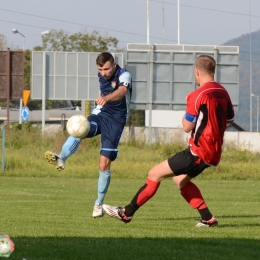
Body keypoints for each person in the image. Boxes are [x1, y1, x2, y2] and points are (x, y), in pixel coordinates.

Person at [103, 55, 235, 227]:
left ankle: (126, 213)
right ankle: (208, 219)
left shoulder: (197, 95)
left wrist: (189, 107)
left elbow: (187, 126)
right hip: (213, 152)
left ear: (197, 72)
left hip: (198, 151)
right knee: (180, 180)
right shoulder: (223, 92)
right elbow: (230, 119)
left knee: (154, 174)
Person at [45, 52, 132, 218]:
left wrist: (106, 98)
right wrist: (103, 101)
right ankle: (61, 157)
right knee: (81, 128)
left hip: (116, 121)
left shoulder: (124, 74)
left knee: (104, 164)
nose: (104, 73)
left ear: (114, 64)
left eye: (106, 69)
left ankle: (98, 204)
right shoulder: (101, 74)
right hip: (100, 114)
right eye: (100, 69)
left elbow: (121, 92)